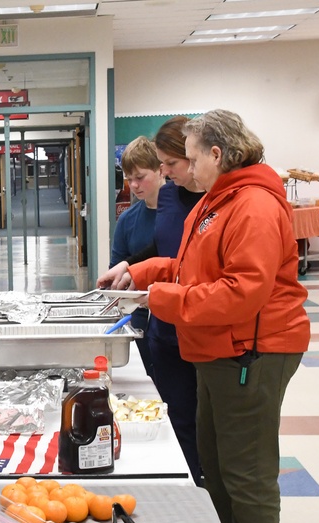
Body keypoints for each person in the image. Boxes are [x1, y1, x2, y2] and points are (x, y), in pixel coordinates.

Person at [108, 110, 310, 523]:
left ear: (217, 154)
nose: (186, 169)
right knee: (216, 462)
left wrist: (159, 298)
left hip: (252, 350)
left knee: (246, 466)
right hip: (220, 349)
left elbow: (240, 293)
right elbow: (188, 267)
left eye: (190, 158)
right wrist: (141, 272)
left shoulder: (254, 206)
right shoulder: (217, 202)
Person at [99, 116, 205, 484]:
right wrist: (133, 268)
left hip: (198, 327)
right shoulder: (163, 205)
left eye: (168, 166)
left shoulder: (212, 203)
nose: (135, 185)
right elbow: (169, 257)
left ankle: (201, 487)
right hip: (162, 326)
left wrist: (153, 287)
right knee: (176, 414)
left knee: (200, 424)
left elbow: (202, 272)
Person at [109, 136, 164, 376]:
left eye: (140, 177)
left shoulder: (182, 215)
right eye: (129, 179)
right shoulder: (127, 220)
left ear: (161, 170)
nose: (134, 185)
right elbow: (117, 275)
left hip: (175, 320)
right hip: (139, 318)